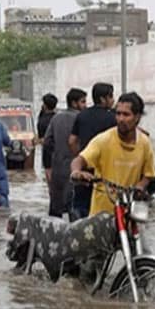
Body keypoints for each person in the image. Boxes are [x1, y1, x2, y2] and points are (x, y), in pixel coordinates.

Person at [70, 92, 155, 217]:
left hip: (129, 212)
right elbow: (79, 160)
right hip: (101, 216)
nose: (121, 119)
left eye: (126, 114)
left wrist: (140, 186)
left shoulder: (144, 143)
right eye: (118, 113)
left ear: (137, 117)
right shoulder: (103, 140)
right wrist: (77, 172)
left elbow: (149, 174)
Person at [68, 82, 116, 218]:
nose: (113, 100)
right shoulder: (112, 118)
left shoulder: (82, 115)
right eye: (111, 97)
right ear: (102, 99)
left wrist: (80, 158)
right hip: (105, 172)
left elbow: (71, 141)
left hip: (83, 170)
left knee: (80, 208)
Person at [44, 87, 87, 218]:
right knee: (75, 209)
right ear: (74, 103)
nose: (85, 105)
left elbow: (47, 141)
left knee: (56, 209)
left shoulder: (56, 118)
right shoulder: (81, 118)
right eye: (83, 102)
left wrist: (57, 153)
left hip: (57, 168)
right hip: (76, 169)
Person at [37, 93, 58, 185]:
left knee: (49, 176)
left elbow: (41, 136)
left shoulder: (42, 119)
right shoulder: (57, 117)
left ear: (44, 105)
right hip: (58, 151)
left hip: (47, 151)